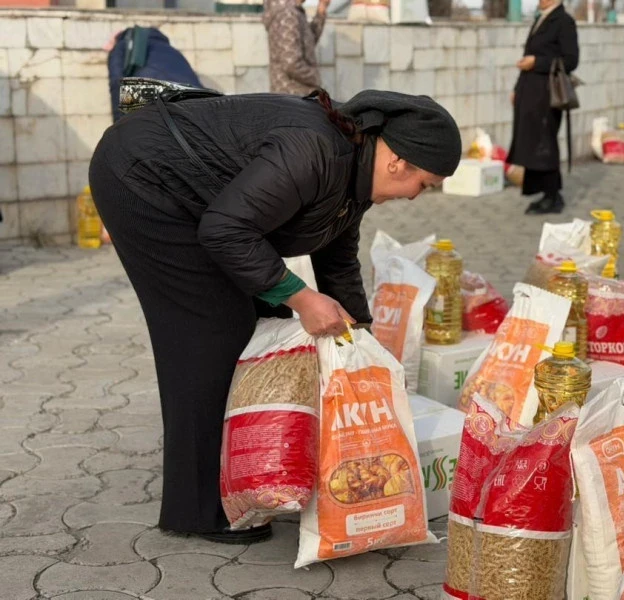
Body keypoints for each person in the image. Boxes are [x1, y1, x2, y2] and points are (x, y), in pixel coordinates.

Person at [87, 89, 461, 543]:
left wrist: (363, 340)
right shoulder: (315, 152)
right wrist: (301, 298)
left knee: (263, 320)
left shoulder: (355, 177)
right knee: (211, 332)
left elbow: (337, 259)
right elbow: (225, 230)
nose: (417, 197)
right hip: (143, 177)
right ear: (397, 161)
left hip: (202, 204)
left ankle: (248, 475)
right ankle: (200, 510)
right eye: (425, 184)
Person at [508, 0, 579, 215]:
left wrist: (537, 62)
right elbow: (529, 56)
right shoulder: (541, 19)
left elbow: (570, 60)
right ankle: (544, 192)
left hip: (547, 95)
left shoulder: (564, 21)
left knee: (544, 143)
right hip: (530, 91)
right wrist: (517, 88)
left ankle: (553, 195)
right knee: (532, 143)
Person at [106, 27, 202, 123]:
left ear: (118, 38)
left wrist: (119, 124)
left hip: (156, 103)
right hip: (196, 101)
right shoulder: (172, 51)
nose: (105, 46)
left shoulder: (121, 46)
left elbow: (117, 84)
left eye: (109, 42)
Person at [263, 0, 330, 95]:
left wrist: (321, 10)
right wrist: (315, 77)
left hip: (291, 96)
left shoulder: (291, 11)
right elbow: (291, 63)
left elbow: (307, 45)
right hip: (294, 96)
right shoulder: (288, 14)